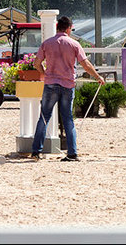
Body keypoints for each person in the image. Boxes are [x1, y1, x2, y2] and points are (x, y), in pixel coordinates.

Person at [31, 16, 105, 161]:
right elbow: (85, 64)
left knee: (44, 117)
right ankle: (72, 153)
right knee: (68, 119)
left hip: (51, 83)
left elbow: (36, 63)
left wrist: (44, 74)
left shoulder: (47, 43)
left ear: (58, 27)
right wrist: (97, 77)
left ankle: (36, 151)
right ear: (69, 28)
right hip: (67, 84)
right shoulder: (74, 44)